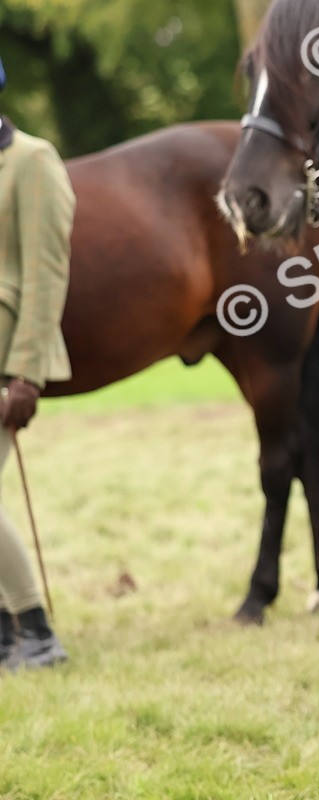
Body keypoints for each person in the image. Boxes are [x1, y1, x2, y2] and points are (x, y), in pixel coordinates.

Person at [0, 54, 75, 672]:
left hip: (6, 354)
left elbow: (46, 275)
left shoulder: (32, 161)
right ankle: (5, 634)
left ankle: (37, 631)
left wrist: (25, 373)